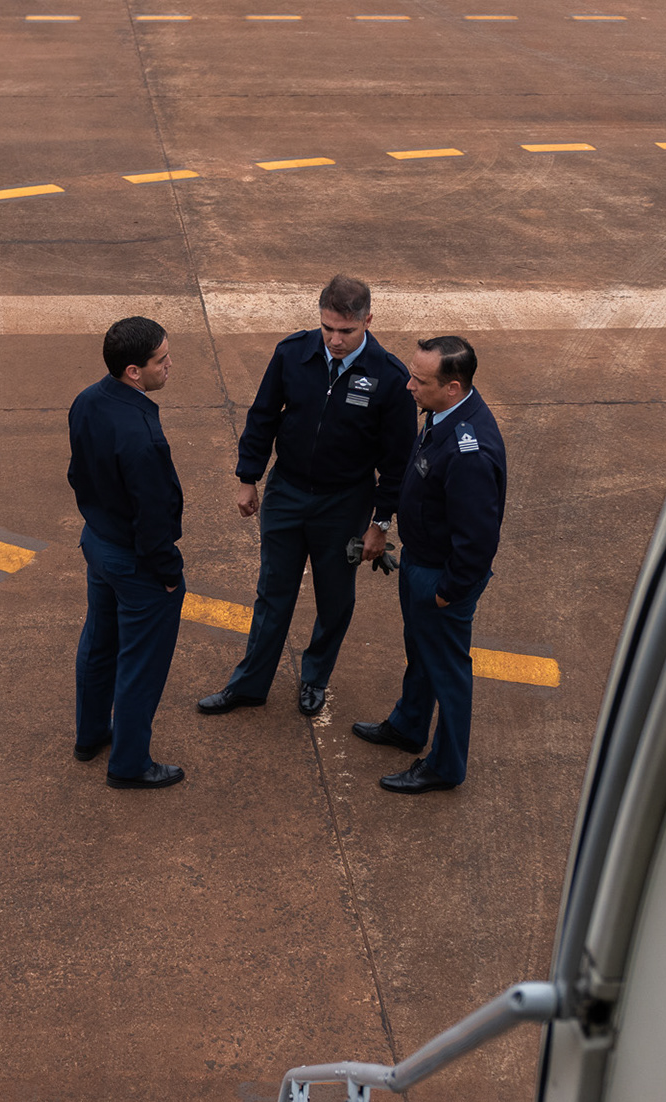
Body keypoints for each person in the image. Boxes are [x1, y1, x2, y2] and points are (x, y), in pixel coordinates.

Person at [197, 275, 417, 719]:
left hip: (345, 504)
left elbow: (398, 463)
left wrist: (381, 522)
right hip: (286, 493)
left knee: (335, 598)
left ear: (368, 321)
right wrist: (248, 477)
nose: (335, 340)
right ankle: (250, 684)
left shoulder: (390, 378)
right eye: (328, 328)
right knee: (272, 592)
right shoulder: (291, 353)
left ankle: (314, 678)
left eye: (347, 331)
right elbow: (262, 416)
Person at [352, 335, 506, 794]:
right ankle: (409, 725)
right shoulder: (442, 413)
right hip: (421, 563)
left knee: (448, 670)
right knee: (421, 652)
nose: (408, 387)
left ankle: (445, 765)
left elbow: (478, 539)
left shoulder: (469, 450)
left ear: (453, 387)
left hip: (441, 577)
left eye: (419, 381)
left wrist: (449, 591)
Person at [68, 316, 188, 790]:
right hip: (136, 561)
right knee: (140, 664)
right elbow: (154, 516)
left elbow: (77, 473)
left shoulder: (87, 401)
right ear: (134, 371)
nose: (169, 365)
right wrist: (168, 572)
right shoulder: (142, 435)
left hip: (98, 542)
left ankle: (91, 735)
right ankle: (130, 763)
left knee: (99, 644)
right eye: (162, 360)